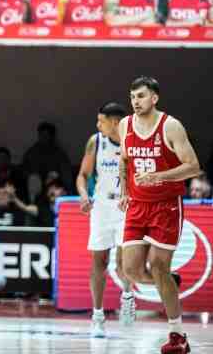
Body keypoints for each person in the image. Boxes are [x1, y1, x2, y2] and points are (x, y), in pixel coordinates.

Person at [119, 76, 201, 354]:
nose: (135, 102)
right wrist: (124, 190)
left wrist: (158, 177)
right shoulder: (124, 125)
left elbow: (193, 167)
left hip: (166, 205)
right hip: (137, 206)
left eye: (140, 96)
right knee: (129, 269)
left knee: (157, 264)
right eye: (132, 97)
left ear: (154, 98)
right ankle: (168, 281)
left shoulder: (171, 126)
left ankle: (178, 335)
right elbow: (125, 160)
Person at [76, 102, 135, 337]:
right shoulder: (95, 141)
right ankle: (98, 315)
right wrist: (83, 196)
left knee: (124, 263)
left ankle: (128, 295)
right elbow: (82, 175)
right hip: (101, 206)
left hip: (126, 206)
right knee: (98, 263)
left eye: (100, 121)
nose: (97, 125)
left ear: (113, 122)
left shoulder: (133, 141)